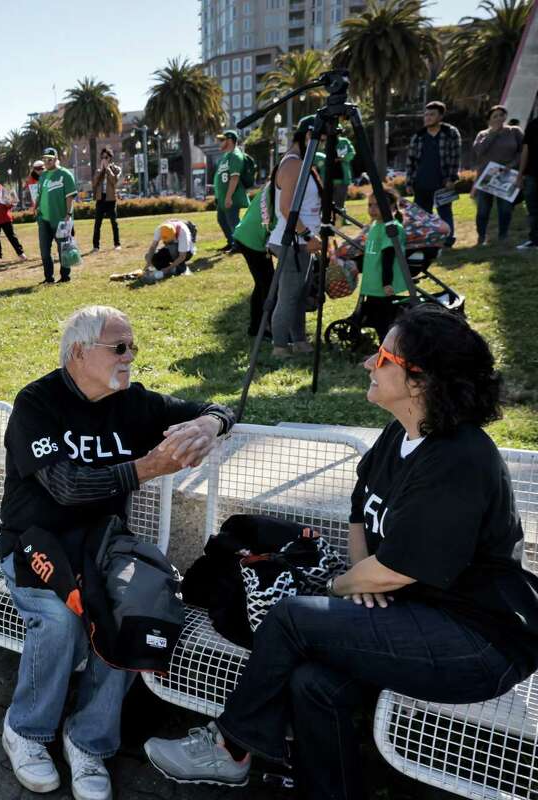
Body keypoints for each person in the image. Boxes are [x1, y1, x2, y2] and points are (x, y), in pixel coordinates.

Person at [144, 304, 538, 800]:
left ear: (420, 381)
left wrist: (339, 586)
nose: (368, 365)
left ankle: (231, 747)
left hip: (478, 642)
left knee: (290, 617)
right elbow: (361, 510)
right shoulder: (403, 431)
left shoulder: (459, 459)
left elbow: (394, 570)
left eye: (383, 356)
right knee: (314, 682)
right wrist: (359, 579)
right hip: (414, 614)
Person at [0, 305, 235, 800]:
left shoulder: (133, 402)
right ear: (80, 352)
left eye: (133, 346)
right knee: (61, 621)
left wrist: (212, 423)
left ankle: (88, 741)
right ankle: (25, 730)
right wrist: (146, 467)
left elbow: (215, 405)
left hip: (105, 546)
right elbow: (65, 485)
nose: (131, 357)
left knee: (135, 612)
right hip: (37, 543)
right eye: (120, 347)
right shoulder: (37, 403)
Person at [267, 117, 325, 358]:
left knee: (300, 295)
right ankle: (279, 346)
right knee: (289, 296)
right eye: (320, 140)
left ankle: (299, 340)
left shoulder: (302, 163)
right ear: (308, 137)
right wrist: (307, 234)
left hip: (303, 242)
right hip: (292, 242)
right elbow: (286, 207)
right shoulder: (292, 165)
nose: (322, 145)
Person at [405, 101, 461, 247]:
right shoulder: (418, 136)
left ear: (440, 116)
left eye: (432, 114)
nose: (428, 118)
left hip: (442, 182)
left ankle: (448, 241)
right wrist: (409, 182)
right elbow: (410, 161)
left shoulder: (451, 133)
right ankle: (426, 241)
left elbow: (456, 157)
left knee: (445, 213)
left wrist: (452, 178)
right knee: (421, 216)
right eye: (426, 114)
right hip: (421, 182)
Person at [358, 187, 408, 342]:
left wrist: (387, 282)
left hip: (383, 285)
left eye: (377, 205)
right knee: (375, 318)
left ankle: (385, 352)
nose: (372, 209)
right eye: (370, 205)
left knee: (384, 321)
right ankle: (379, 349)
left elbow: (388, 256)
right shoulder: (375, 226)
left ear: (392, 207)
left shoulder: (391, 228)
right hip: (372, 283)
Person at [471, 105, 524, 247]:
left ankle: (503, 236)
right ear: (489, 120)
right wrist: (493, 133)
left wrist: (512, 165)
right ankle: (481, 237)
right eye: (495, 116)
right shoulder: (483, 134)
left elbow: (523, 151)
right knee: (483, 209)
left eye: (501, 115)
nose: (499, 118)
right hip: (487, 176)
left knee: (505, 208)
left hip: (508, 175)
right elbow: (479, 151)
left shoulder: (515, 132)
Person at [231, 184, 275, 337]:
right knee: (267, 285)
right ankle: (264, 327)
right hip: (252, 240)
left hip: (247, 235)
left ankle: (256, 327)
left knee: (264, 283)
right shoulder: (283, 186)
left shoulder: (271, 185)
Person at [34, 147, 77, 284]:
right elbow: (40, 194)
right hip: (44, 219)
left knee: (63, 249)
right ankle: (48, 278)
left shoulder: (65, 174)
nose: (46, 161)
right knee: (45, 251)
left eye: (50, 159)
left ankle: (65, 277)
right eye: (45, 159)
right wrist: (36, 207)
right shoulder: (43, 176)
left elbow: (70, 197)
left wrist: (69, 214)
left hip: (60, 219)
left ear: (56, 159)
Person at [213, 130, 249, 252]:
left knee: (233, 221)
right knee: (222, 220)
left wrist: (228, 197)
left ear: (229, 141)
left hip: (232, 197)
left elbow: (234, 178)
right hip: (223, 198)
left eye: (222, 140)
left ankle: (240, 245)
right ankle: (231, 242)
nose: (219, 143)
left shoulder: (235, 155)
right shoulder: (226, 156)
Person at [91, 147, 122, 252]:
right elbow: (94, 183)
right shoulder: (99, 170)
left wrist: (108, 169)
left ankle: (117, 244)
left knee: (114, 222)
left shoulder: (116, 169)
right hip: (101, 199)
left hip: (111, 199)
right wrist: (101, 171)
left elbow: (114, 181)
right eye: (102, 157)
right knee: (97, 223)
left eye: (106, 157)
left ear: (110, 158)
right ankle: (96, 246)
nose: (104, 159)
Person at [519, 114, 538, 250]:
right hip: (532, 174)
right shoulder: (533, 125)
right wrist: (520, 174)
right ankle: (534, 240)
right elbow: (526, 150)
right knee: (532, 209)